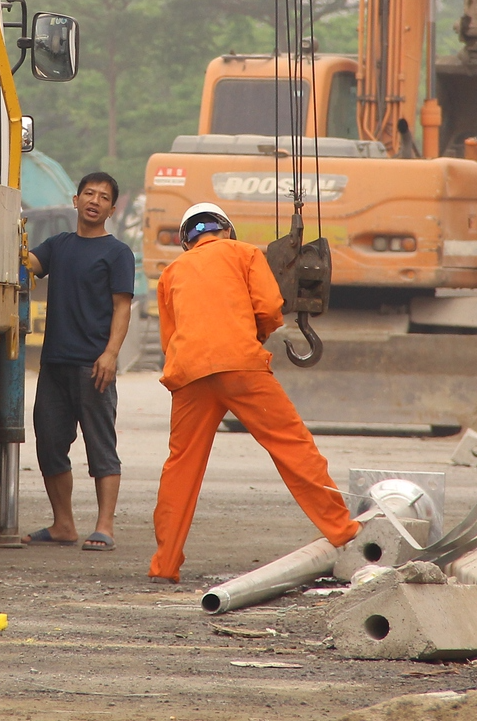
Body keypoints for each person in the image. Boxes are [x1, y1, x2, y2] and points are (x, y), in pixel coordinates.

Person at [148, 201, 361, 583]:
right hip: (241, 367)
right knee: (292, 446)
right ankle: (342, 531)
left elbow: (170, 336)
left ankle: (164, 564)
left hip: (190, 375)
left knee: (181, 467)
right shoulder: (244, 253)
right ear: (226, 229)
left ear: (186, 240)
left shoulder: (172, 271)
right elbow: (268, 307)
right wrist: (253, 335)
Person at [23, 170, 137, 551]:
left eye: (103, 197)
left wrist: (110, 354)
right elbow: (27, 265)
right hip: (54, 364)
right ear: (75, 201)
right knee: (50, 444)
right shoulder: (58, 245)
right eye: (88, 193)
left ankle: (104, 527)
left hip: (94, 365)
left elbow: (122, 309)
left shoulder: (118, 253)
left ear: (112, 208)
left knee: (100, 445)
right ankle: (63, 525)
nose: (94, 201)